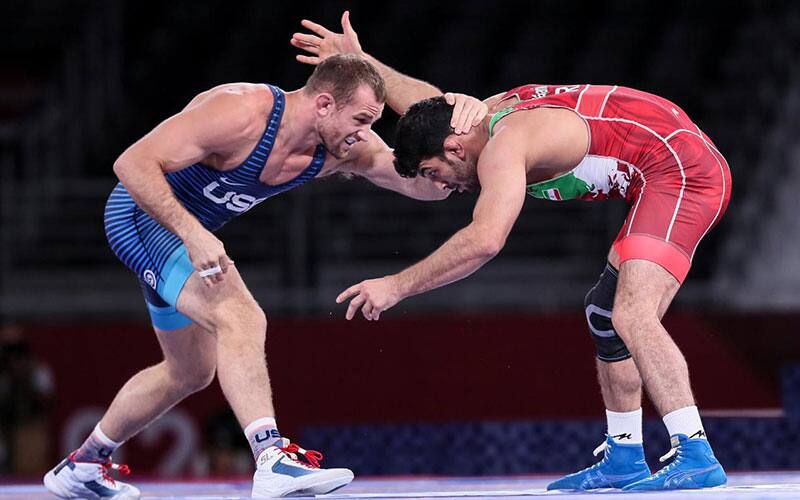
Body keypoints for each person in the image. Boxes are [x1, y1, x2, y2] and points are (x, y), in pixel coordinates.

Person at [296, 14, 731, 492]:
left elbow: (485, 240)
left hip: (681, 170)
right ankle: (625, 455)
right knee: (604, 316)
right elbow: (425, 106)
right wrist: (359, 63)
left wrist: (395, 285)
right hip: (658, 159)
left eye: (432, 171)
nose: (439, 185)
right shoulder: (474, 118)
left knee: (632, 314)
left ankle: (695, 452)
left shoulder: (506, 145)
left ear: (455, 148)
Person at [43, 53, 487, 499]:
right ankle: (271, 458)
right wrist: (193, 235)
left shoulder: (343, 150)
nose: (365, 133)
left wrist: (463, 133)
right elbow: (131, 164)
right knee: (242, 317)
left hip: (181, 240)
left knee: (190, 371)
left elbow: (423, 183)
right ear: (324, 105)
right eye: (360, 119)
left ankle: (83, 464)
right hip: (141, 218)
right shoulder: (241, 113)